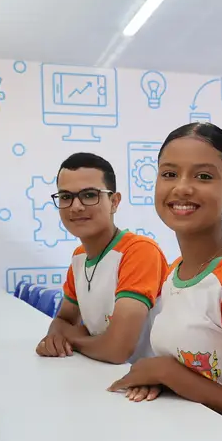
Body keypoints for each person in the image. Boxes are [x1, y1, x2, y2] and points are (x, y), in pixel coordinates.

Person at [108, 123, 222, 434]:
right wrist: (165, 381)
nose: (181, 187)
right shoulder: (175, 272)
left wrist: (171, 374)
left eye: (203, 176)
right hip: (186, 439)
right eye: (169, 174)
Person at [36, 153, 168, 365]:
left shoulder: (139, 252)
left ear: (114, 202)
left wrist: (71, 338)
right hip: (101, 376)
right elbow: (62, 321)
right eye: (66, 197)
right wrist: (60, 337)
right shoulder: (79, 257)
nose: (76, 206)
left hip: (145, 386)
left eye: (89, 195)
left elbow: (117, 350)